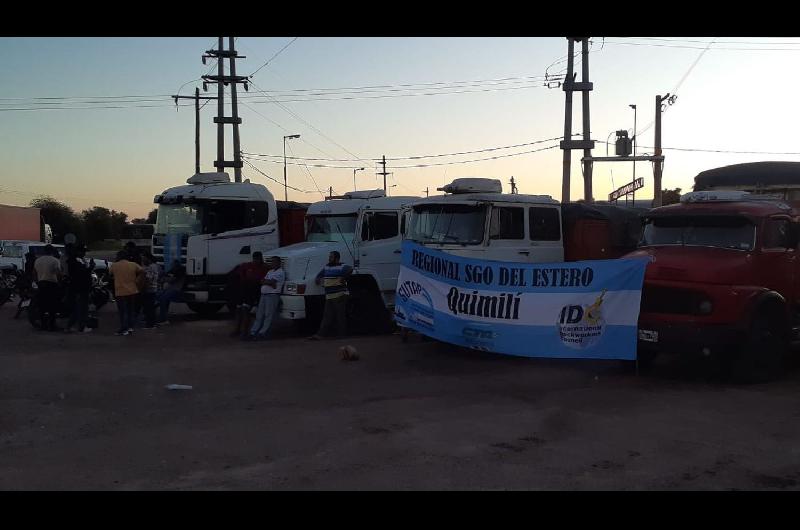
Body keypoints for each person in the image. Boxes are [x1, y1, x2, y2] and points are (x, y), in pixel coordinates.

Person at [309, 251, 352, 340]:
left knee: (339, 315)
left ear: (336, 258)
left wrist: (344, 278)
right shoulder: (327, 267)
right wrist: (317, 278)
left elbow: (350, 269)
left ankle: (341, 334)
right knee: (327, 316)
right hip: (329, 296)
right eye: (329, 257)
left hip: (340, 294)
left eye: (331, 257)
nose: (329, 258)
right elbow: (320, 274)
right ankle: (321, 334)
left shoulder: (342, 266)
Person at [229, 251, 269, 338]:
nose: (256, 260)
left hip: (254, 291)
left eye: (258, 259)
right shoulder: (246, 265)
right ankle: (238, 330)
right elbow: (236, 274)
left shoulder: (264, 268)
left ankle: (244, 332)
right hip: (244, 290)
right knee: (239, 310)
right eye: (255, 259)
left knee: (246, 310)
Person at [247, 256, 285, 341]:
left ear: (279, 263)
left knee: (268, 315)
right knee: (259, 314)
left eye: (274, 262)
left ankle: (263, 333)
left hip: (272, 295)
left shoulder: (280, 272)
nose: (272, 263)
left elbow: (270, 282)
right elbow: (263, 281)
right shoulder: (270, 271)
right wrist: (268, 282)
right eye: (272, 262)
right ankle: (254, 332)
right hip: (264, 294)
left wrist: (267, 282)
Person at [110, 250, 143, 336]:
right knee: (130, 310)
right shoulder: (133, 264)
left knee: (122, 311)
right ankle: (130, 327)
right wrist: (137, 280)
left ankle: (124, 328)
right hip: (132, 290)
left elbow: (110, 274)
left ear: (119, 257)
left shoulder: (114, 265)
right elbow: (143, 271)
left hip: (120, 291)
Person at [65, 244, 94, 333]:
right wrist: (90, 267)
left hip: (80, 287)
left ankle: (71, 326)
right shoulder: (75, 261)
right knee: (81, 308)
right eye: (83, 251)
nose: (84, 253)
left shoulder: (78, 260)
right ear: (78, 252)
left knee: (79, 308)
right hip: (80, 288)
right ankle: (81, 327)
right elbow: (81, 274)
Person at [33, 244, 62, 331]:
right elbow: (58, 273)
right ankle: (52, 325)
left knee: (42, 305)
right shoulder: (55, 260)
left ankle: (43, 325)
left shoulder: (37, 260)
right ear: (52, 251)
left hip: (41, 284)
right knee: (52, 305)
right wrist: (60, 283)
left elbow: (34, 273)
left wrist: (37, 282)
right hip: (52, 284)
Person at [157, 260, 185, 325]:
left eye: (172, 264)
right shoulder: (176, 269)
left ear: (175, 264)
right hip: (172, 289)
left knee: (162, 299)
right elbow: (168, 275)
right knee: (163, 298)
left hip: (176, 290)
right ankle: (163, 317)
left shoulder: (179, 270)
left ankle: (164, 319)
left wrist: (163, 279)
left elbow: (172, 279)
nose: (171, 265)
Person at [140, 252, 161, 329]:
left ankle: (150, 324)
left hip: (149, 289)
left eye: (143, 258)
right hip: (153, 288)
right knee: (150, 307)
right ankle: (151, 323)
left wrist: (143, 288)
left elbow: (148, 278)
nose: (142, 260)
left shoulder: (150, 267)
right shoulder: (155, 266)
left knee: (149, 307)